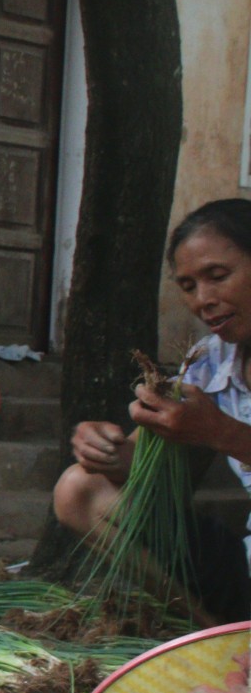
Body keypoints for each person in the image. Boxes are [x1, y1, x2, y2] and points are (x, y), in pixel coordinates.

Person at [54, 198, 251, 623]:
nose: (204, 300)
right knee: (80, 489)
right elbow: (134, 466)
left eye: (218, 277)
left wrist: (220, 432)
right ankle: (223, 647)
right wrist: (107, 452)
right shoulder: (210, 361)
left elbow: (218, 432)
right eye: (188, 286)